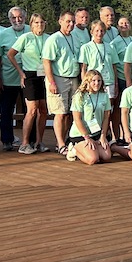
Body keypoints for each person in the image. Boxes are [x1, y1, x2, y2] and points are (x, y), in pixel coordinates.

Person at [42, 11, 81, 156]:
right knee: (60, 112)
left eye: (73, 22)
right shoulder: (54, 39)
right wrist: (52, 82)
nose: (71, 24)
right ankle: (60, 144)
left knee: (71, 112)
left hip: (74, 78)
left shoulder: (75, 38)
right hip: (59, 78)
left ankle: (67, 140)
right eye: (68, 21)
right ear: (60, 21)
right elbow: (46, 61)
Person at [9, 13, 49, 154]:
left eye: (42, 22)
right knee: (32, 110)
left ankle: (38, 142)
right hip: (30, 76)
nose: (39, 25)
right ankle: (24, 143)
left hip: (45, 75)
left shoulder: (49, 38)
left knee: (43, 110)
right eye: (36, 22)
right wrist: (20, 72)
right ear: (31, 24)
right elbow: (10, 54)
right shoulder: (25, 37)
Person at [0, 5, 25, 150]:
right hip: (8, 78)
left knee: (30, 111)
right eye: (14, 18)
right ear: (9, 19)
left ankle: (30, 140)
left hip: (27, 79)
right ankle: (7, 140)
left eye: (20, 17)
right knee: (6, 111)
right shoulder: (3, 34)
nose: (17, 20)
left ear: (25, 17)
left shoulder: (32, 30)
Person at [68, 70, 113, 165]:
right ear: (88, 82)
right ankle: (73, 149)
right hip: (80, 134)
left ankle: (92, 149)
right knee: (93, 159)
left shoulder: (104, 95)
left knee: (106, 157)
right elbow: (77, 119)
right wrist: (86, 137)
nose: (97, 83)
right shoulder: (79, 95)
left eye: (99, 81)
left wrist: (103, 136)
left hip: (96, 132)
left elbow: (106, 118)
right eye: (94, 81)